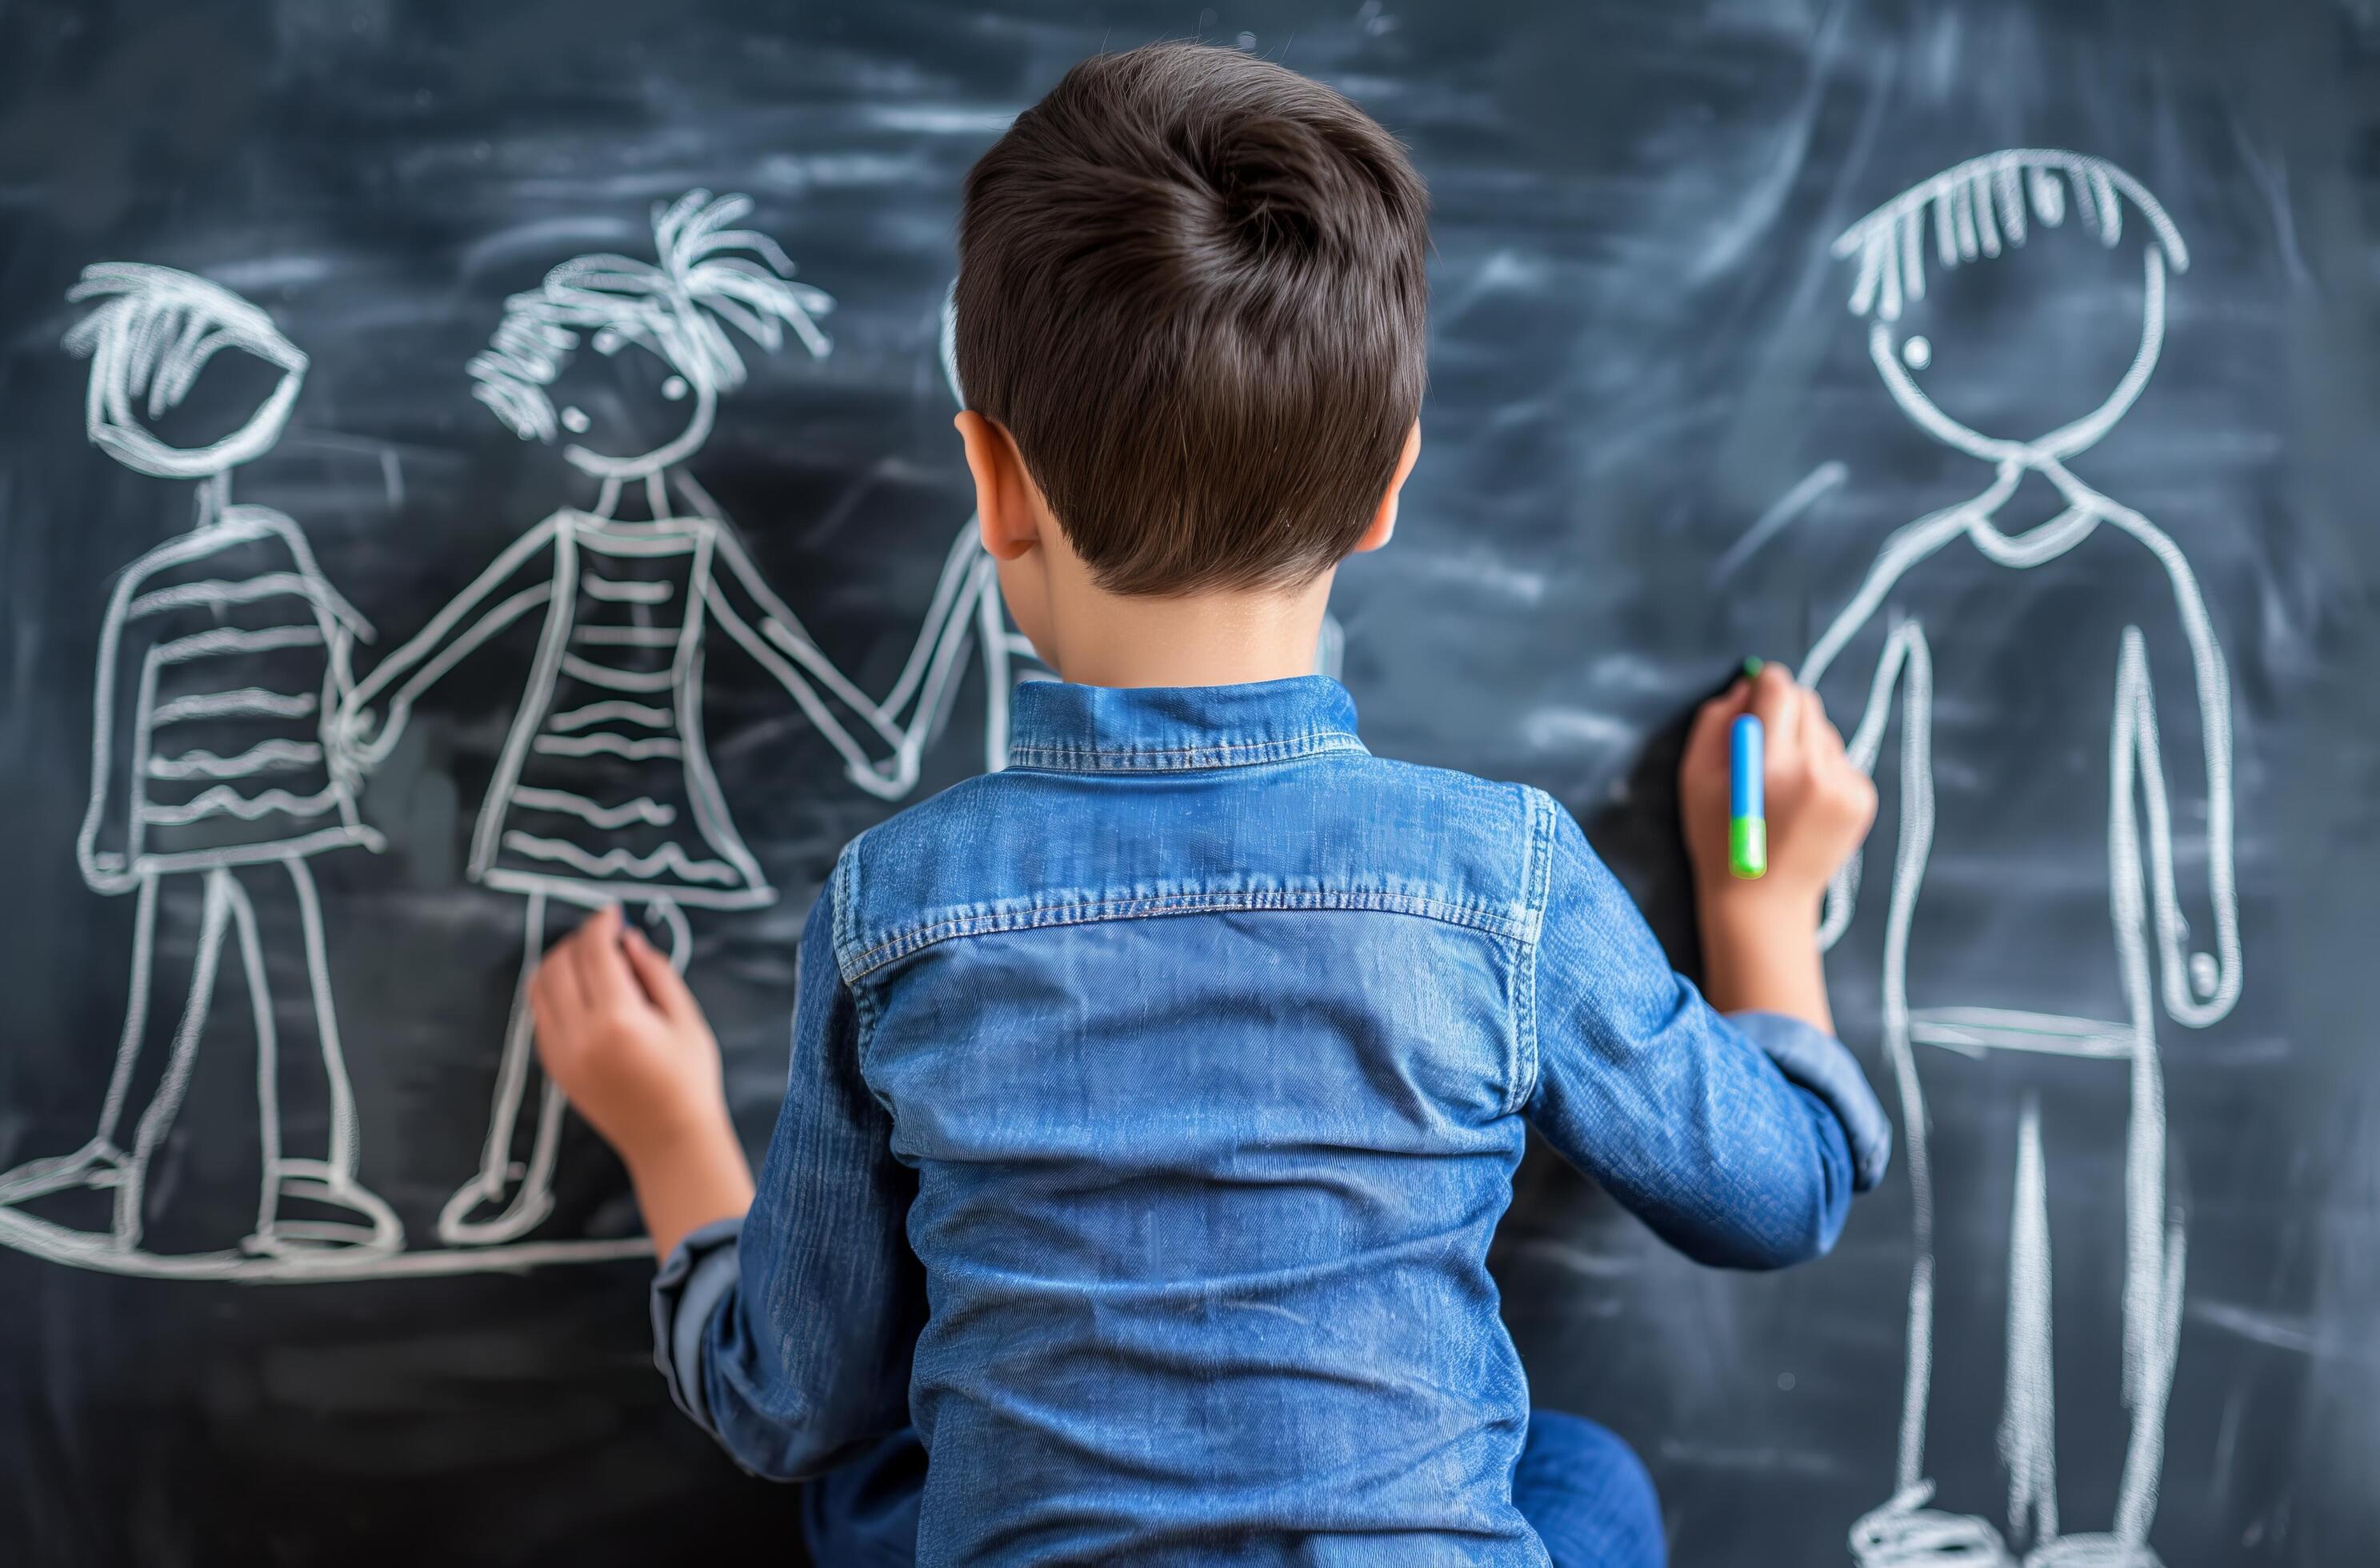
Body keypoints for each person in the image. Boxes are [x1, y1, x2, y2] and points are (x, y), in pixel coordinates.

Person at [520, 44, 1888, 1566]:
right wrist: (1764, 907)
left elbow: (791, 1404)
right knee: (1587, 1486)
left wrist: (668, 1138)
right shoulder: (1497, 881)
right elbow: (1781, 1195)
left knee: (870, 1484)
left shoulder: (898, 910)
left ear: (995, 484)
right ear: (1388, 490)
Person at [334, 190, 962, 1246]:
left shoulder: (698, 550)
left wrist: (861, 733)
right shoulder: (571, 542)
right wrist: (383, 691)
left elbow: (773, 642)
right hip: (566, 773)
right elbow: (467, 624)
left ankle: (620, 1177)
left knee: (643, 941)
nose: (619, 423)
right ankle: (522, 1174)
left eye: (662, 386)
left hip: (650, 774)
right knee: (559, 963)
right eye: (584, 412)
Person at [1803, 152, 2240, 1568]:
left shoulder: (2132, 573)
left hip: (2093, 994)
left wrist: (2202, 929)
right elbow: (1798, 722)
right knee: (1972, 1259)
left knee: (2108, 1259)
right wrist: (1784, 864)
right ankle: (1966, 1502)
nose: (1920, 358)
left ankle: (2102, 1517)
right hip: (1960, 994)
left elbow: (2183, 764)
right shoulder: (1932, 569)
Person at [0, 265, 399, 1264]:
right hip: (233, 815)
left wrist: (116, 829)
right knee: (222, 980)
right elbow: (150, 709)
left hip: (237, 813)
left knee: (225, 980)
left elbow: (330, 661)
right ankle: (196, 1170)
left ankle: (270, 1175)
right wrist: (115, 828)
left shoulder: (234, 560)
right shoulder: (211, 567)